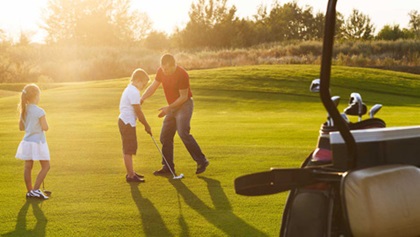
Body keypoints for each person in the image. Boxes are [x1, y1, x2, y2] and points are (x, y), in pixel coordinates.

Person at [141, 54, 209, 176]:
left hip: (184, 105)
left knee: (183, 132)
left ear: (174, 65)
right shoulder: (161, 72)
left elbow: (183, 97)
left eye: (167, 69)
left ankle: (201, 161)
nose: (165, 71)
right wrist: (142, 98)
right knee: (165, 136)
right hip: (172, 106)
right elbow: (153, 87)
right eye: (163, 68)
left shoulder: (182, 74)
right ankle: (167, 167)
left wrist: (169, 108)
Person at [15, 83, 50, 200]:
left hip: (27, 142)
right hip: (38, 142)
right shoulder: (39, 111)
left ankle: (30, 191)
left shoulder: (24, 110)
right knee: (46, 166)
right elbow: (45, 127)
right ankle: (35, 190)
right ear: (36, 96)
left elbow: (21, 128)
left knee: (28, 167)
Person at [118, 68, 152, 183]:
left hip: (126, 121)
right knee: (128, 150)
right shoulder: (133, 91)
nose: (143, 86)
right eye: (144, 83)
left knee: (129, 148)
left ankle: (131, 172)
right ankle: (131, 176)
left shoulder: (130, 89)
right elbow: (138, 111)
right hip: (127, 122)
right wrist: (147, 125)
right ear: (138, 80)